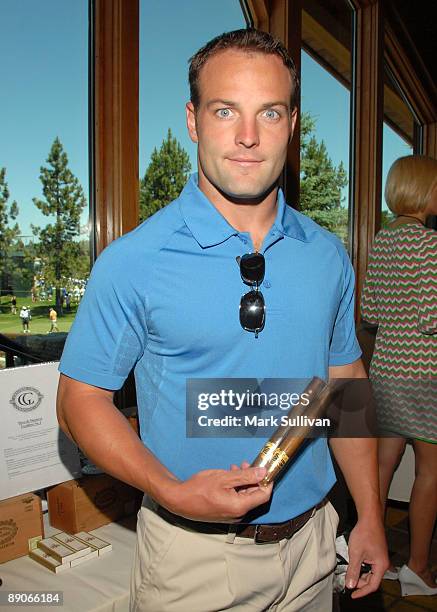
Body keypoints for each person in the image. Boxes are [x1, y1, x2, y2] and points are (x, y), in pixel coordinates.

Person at [57, 29, 388, 611]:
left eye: (270, 112)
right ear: (193, 120)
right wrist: (171, 491)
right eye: (225, 110)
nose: (248, 137)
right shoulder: (134, 262)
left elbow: (345, 381)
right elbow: (79, 399)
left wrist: (371, 515)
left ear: (291, 123)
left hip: (314, 546)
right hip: (194, 562)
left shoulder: (327, 255)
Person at [361, 155, 437, 597]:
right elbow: (432, 317)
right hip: (426, 373)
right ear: (423, 191)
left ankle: (374, 554)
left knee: (382, 465)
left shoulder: (382, 243)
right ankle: (419, 566)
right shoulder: (430, 245)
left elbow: (369, 312)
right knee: (430, 472)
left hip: (386, 370)